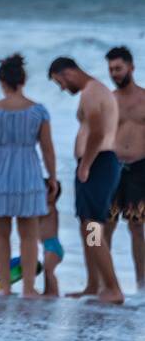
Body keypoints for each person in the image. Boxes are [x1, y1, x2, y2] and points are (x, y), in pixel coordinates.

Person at [0, 54, 57, 297]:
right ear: (23, 80)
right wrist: (52, 177)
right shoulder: (38, 111)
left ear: (2, 81)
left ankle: (6, 287)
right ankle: (29, 288)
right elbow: (47, 147)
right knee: (29, 235)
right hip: (28, 172)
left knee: (0, 234)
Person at [48, 56, 124, 303]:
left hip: (98, 163)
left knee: (92, 225)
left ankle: (112, 288)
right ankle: (94, 284)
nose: (62, 88)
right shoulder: (94, 90)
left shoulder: (92, 92)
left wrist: (86, 165)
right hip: (100, 162)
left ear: (68, 73)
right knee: (88, 226)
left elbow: (98, 131)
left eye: (60, 82)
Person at [105, 46, 145, 289]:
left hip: (140, 169)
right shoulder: (108, 100)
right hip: (110, 168)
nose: (114, 73)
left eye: (118, 68)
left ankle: (142, 285)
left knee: (137, 226)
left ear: (131, 67)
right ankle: (100, 280)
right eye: (110, 70)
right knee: (100, 226)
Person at [40, 180, 64, 296]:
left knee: (49, 271)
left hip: (53, 246)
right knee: (46, 270)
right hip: (48, 246)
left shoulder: (50, 208)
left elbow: (38, 215)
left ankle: (54, 292)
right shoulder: (46, 207)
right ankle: (47, 291)